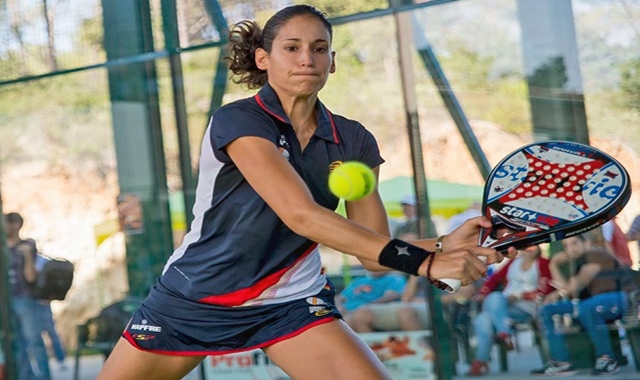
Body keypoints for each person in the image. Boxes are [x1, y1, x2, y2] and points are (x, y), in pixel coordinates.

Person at [96, 5, 510, 380]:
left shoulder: (353, 140)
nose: (306, 59)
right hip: (200, 293)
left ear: (332, 62)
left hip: (292, 302)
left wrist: (440, 244)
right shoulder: (239, 120)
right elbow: (301, 215)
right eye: (291, 47)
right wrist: (426, 262)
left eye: (319, 48)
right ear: (264, 59)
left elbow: (372, 253)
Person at [531, 233, 628, 376]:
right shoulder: (579, 262)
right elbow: (568, 291)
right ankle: (561, 362)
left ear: (587, 243)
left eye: (574, 243)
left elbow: (577, 283)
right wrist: (553, 266)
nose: (570, 249)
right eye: (566, 246)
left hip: (616, 299)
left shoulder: (596, 254)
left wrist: (558, 293)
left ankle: (607, 358)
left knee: (587, 306)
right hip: (588, 304)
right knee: (548, 310)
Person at [467, 245, 553, 376]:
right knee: (491, 305)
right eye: (526, 246)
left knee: (485, 316)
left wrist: (520, 296)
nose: (529, 249)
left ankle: (480, 361)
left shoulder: (543, 263)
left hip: (525, 308)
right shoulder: (514, 262)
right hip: (503, 304)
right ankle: (505, 333)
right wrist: (483, 293)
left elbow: (546, 289)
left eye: (532, 246)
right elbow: (495, 277)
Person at [5, 212, 51, 380]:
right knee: (16, 343)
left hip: (24, 298)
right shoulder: (3, 248)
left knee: (34, 341)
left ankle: (45, 377)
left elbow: (31, 277)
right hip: (5, 301)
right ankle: (26, 376)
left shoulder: (27, 245)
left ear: (15, 224)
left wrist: (27, 256)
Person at [337, 271, 407, 332]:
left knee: (349, 320)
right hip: (347, 311)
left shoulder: (394, 278)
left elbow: (389, 297)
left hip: (369, 311)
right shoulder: (359, 280)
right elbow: (339, 298)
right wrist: (338, 308)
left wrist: (360, 308)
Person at [35, 254, 67, 371]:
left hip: (42, 302)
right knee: (36, 337)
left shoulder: (41, 261)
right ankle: (43, 367)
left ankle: (61, 359)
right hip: (31, 302)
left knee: (51, 332)